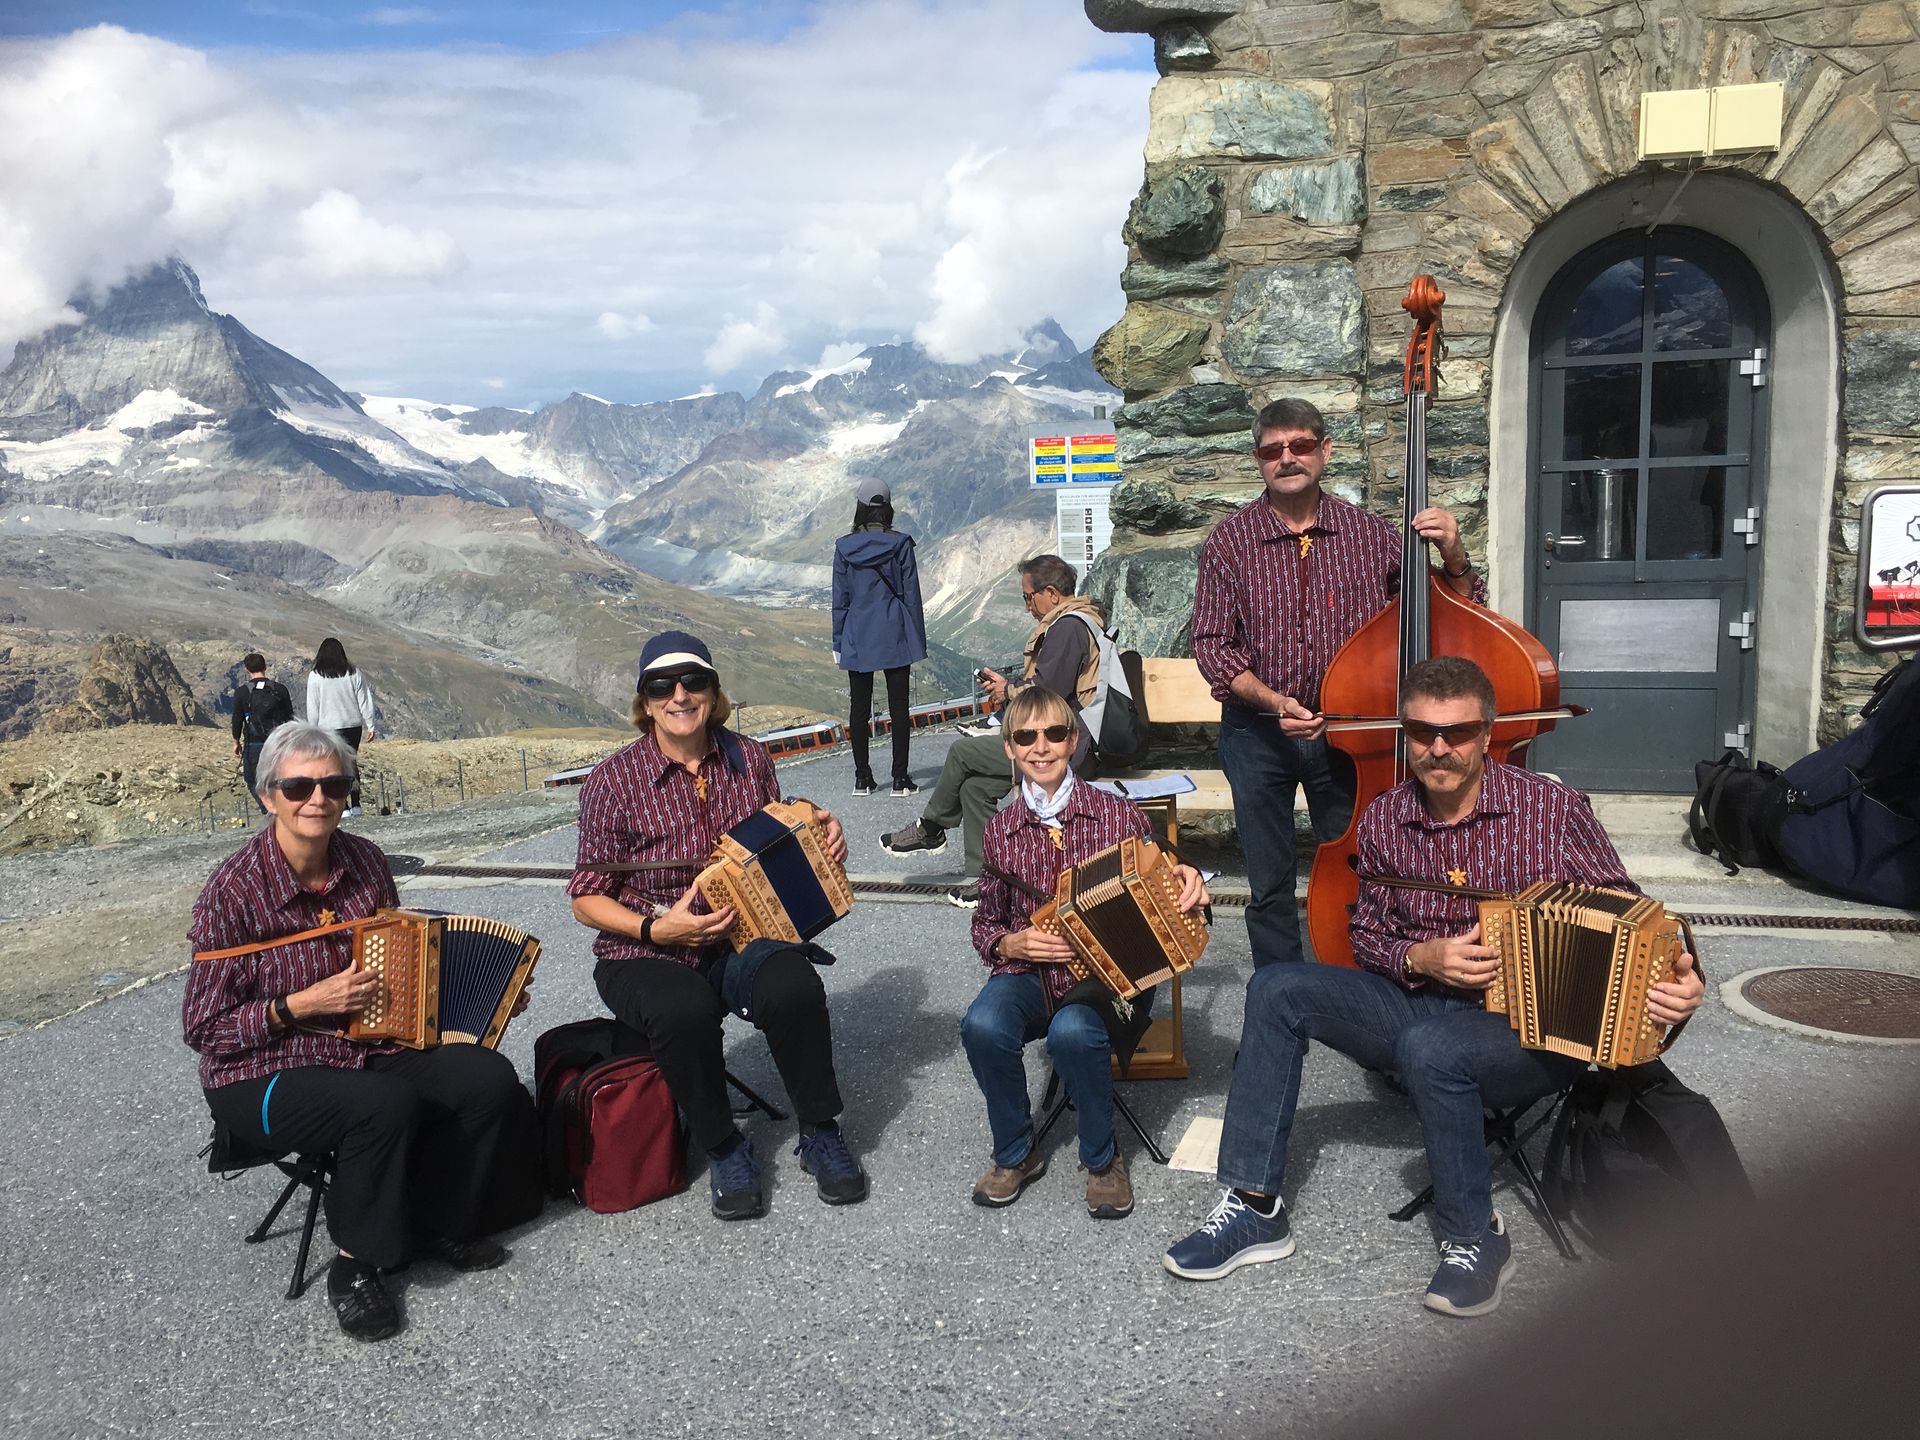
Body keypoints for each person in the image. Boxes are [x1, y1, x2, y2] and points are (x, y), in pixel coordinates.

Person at [1161, 657, 1705, 1316]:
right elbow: (1368, 937)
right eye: (1422, 732)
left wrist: (1681, 973)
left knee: (1432, 1046)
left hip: (1529, 1031)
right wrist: (1421, 955)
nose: (1439, 748)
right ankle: (1254, 1208)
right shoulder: (1387, 817)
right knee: (1277, 986)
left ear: (1486, 732)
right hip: (1418, 1005)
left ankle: (1476, 1237)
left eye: (1457, 732)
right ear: (1405, 733)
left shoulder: (1551, 809)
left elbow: (1631, 907)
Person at [184, 722, 542, 1342]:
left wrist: (463, 1009)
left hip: (363, 1045)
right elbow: (204, 1028)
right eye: (298, 786)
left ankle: (437, 1219)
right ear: (268, 795)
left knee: (486, 1077)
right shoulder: (232, 891)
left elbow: (399, 964)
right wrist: (299, 1004)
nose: (316, 798)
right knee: (382, 1105)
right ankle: (354, 1266)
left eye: (333, 784)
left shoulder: (367, 861)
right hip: (260, 1069)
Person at [567, 629, 868, 1220]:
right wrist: (659, 930)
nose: (679, 695)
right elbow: (585, 898)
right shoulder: (611, 782)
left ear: (713, 691)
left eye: (693, 681)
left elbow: (776, 840)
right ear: (645, 700)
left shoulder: (750, 758)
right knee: (682, 1011)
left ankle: (819, 1129)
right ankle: (724, 1145)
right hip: (643, 948)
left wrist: (821, 830)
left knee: (794, 985)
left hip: (741, 937)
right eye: (662, 686)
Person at [1189, 397, 1479, 968]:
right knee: (1269, 884)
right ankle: (1280, 996)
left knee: (1362, 869)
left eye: (1300, 445)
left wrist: (1454, 554)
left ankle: (1357, 989)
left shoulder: (1370, 536)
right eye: (1273, 450)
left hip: (1348, 735)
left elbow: (1449, 613)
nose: (1287, 458)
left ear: (1325, 451)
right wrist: (1274, 701)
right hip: (1257, 735)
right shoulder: (1228, 542)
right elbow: (1212, 646)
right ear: (1259, 461)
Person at [961, 687, 1207, 1219]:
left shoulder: (1117, 815)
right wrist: (1010, 942)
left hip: (1110, 979)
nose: (1041, 746)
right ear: (1009, 747)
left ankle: (1102, 1159)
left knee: (1074, 1031)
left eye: (1054, 733)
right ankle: (1015, 1152)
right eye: (1026, 736)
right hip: (1029, 971)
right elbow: (985, 925)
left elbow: (1173, 882)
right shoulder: (1001, 831)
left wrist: (1189, 878)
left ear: (1073, 740)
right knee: (982, 1023)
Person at [881, 554, 1104, 907]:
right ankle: (985, 878)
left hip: (1067, 748)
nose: (1028, 606)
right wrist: (1010, 686)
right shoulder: (1074, 623)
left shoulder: (1068, 627)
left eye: (1029, 597)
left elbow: (1048, 692)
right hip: (1057, 740)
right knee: (975, 787)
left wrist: (1007, 690)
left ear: (1051, 593)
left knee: (962, 754)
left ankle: (932, 828)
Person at [832, 476, 927, 798]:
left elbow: (840, 599)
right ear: (887, 507)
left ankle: (863, 779)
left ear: (859, 505)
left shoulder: (844, 547)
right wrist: (917, 638)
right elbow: (910, 595)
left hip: (857, 633)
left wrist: (837, 642)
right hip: (895, 631)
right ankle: (900, 779)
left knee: (858, 709)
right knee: (899, 708)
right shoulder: (900, 544)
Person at [305, 637, 379, 817]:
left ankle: (343, 806)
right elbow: (365, 700)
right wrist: (370, 724)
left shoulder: (316, 675)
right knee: (351, 763)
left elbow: (312, 705)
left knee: (334, 766)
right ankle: (356, 804)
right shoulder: (353, 672)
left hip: (328, 728)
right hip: (352, 725)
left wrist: (312, 730)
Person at [230, 652, 294, 814]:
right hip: (278, 742)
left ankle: (268, 809)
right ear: (265, 666)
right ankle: (283, 807)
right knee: (279, 777)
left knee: (252, 779)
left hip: (254, 742)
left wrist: (236, 740)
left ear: (247, 670)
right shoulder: (280, 689)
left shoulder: (242, 692)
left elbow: (237, 718)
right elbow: (289, 716)